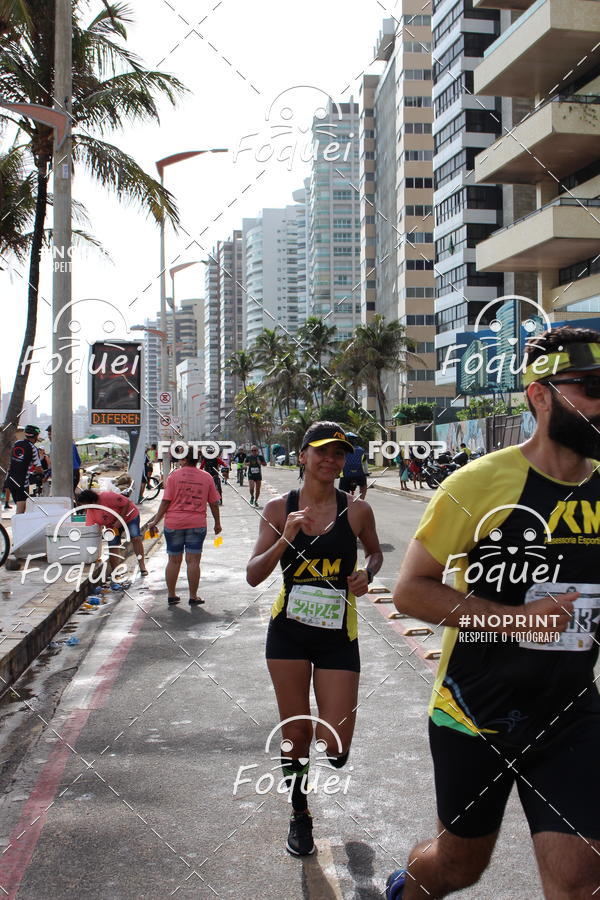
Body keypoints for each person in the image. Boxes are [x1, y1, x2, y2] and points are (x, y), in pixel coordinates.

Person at [385, 326, 600, 899]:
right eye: (593, 387)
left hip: (570, 714)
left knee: (581, 879)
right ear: (541, 395)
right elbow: (411, 591)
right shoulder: (479, 483)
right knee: (459, 869)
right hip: (474, 713)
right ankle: (406, 887)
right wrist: (518, 619)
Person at [247, 422, 383, 857]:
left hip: (337, 635)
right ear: (302, 455)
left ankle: (330, 755)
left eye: (339, 454)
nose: (331, 461)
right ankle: (300, 813)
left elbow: (375, 551)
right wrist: (286, 536)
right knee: (297, 730)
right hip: (287, 632)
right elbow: (253, 575)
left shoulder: (357, 511)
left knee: (337, 743)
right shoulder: (277, 508)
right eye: (322, 452)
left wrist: (368, 573)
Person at [147, 445, 222, 606]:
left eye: (180, 457)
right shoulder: (206, 477)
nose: (179, 460)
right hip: (197, 524)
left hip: (174, 524)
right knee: (193, 561)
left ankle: (171, 595)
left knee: (174, 560)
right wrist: (217, 523)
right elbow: (214, 503)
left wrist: (155, 521)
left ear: (185, 459)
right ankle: (193, 596)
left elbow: (166, 501)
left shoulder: (174, 476)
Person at [78, 488, 147, 588]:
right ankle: (116, 573)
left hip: (129, 516)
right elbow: (90, 529)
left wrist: (120, 520)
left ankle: (142, 566)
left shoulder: (106, 496)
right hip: (112, 526)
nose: (84, 507)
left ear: (90, 500)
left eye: (84, 504)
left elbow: (126, 503)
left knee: (135, 538)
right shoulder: (90, 512)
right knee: (112, 545)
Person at [6, 425, 43, 514]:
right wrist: (37, 472)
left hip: (10, 480)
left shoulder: (17, 443)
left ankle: (16, 526)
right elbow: (38, 468)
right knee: (20, 511)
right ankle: (17, 527)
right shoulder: (33, 448)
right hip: (21, 482)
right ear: (35, 436)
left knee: (19, 505)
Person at [45, 425, 81, 494]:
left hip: (66, 473)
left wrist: (47, 475)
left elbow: (55, 463)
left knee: (63, 495)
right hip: (75, 472)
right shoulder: (71, 442)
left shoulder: (54, 445)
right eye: (48, 434)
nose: (49, 436)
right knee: (70, 494)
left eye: (50, 434)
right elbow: (78, 460)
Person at [338, 433, 368, 499]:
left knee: (342, 491)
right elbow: (365, 463)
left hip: (346, 476)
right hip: (359, 475)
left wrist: (337, 474)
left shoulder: (342, 450)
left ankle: (344, 502)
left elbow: (338, 463)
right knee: (363, 486)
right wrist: (366, 472)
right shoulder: (361, 450)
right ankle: (362, 500)